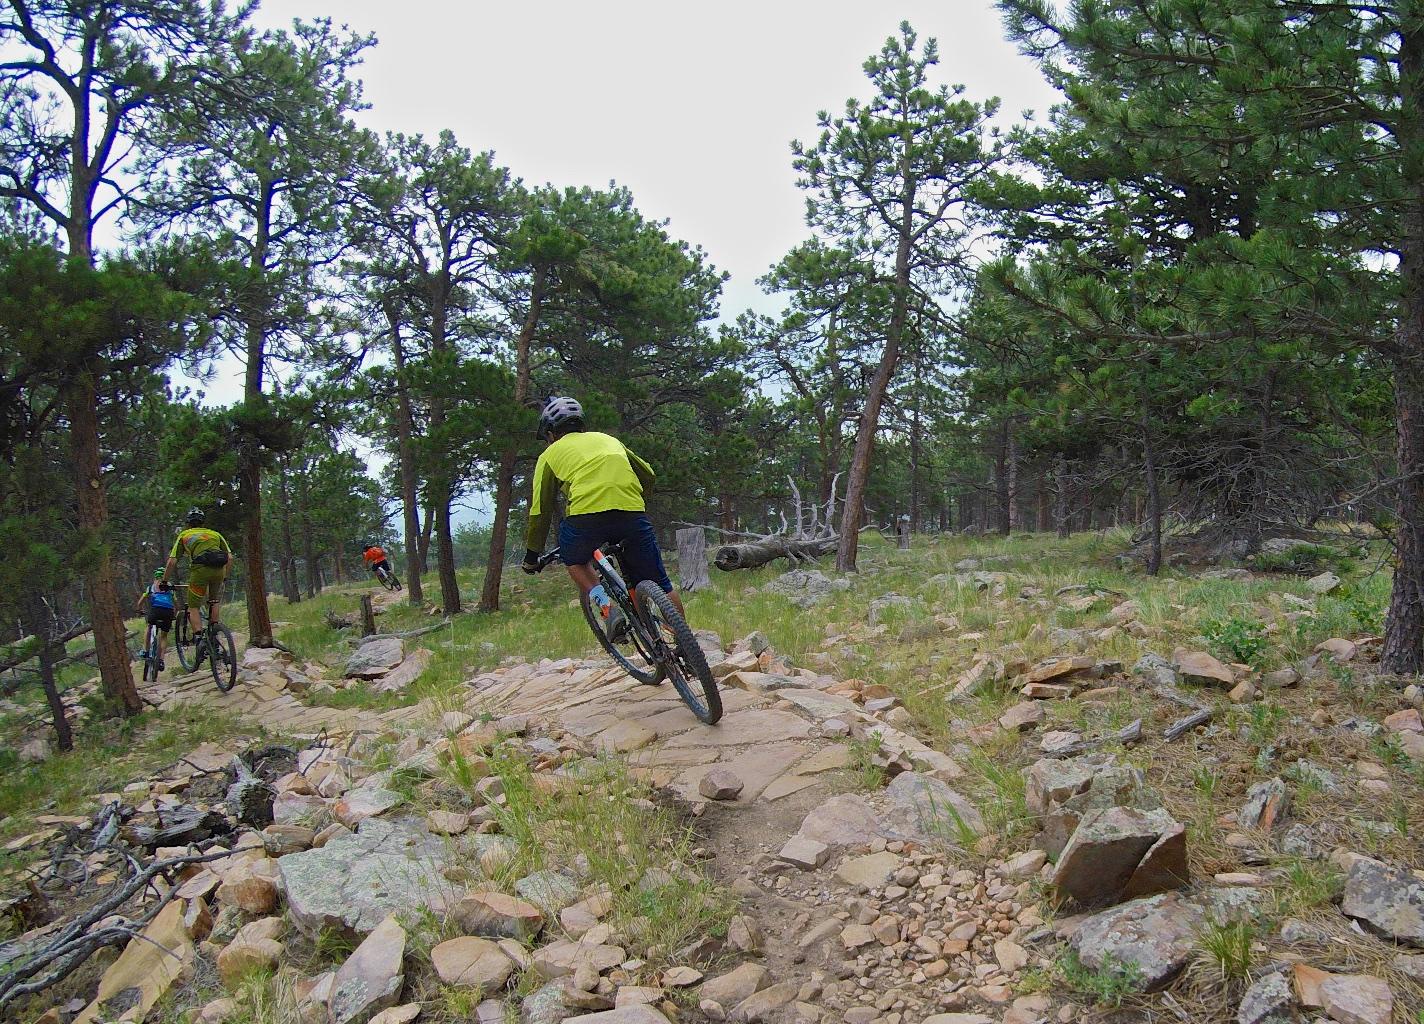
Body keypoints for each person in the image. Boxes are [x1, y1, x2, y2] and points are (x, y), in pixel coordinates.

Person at [521, 396, 683, 640]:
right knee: (659, 582)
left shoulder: (550, 454)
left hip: (585, 518)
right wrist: (632, 503)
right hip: (630, 512)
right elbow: (648, 475)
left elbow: (540, 511)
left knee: (574, 560)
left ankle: (607, 607)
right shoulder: (609, 440)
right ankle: (685, 644)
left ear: (551, 433)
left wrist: (532, 555)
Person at [162, 508, 233, 640]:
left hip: (200, 571)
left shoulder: (185, 535)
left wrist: (164, 581)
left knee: (193, 606)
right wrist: (225, 577)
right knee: (213, 600)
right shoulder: (215, 534)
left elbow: (172, 562)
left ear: (188, 523)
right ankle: (214, 634)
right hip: (218, 570)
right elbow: (230, 558)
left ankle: (199, 638)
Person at [136, 569, 176, 671]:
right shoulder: (170, 588)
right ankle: (161, 660)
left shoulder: (151, 587)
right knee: (164, 635)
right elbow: (174, 602)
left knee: (149, 627)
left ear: (155, 577)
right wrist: (173, 614)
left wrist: (139, 610)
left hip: (156, 610)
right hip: (168, 611)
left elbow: (140, 602)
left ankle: (145, 650)